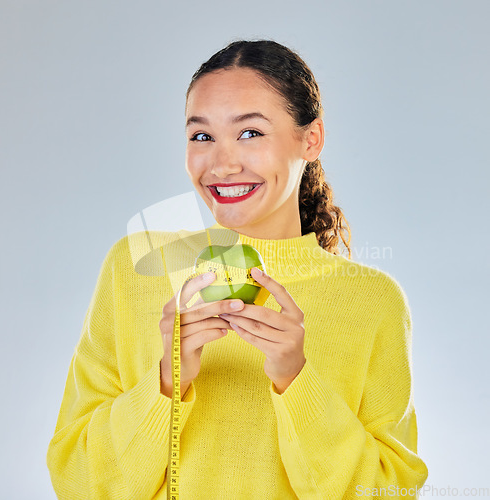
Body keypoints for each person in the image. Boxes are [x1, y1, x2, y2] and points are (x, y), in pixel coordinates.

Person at [46, 39, 429, 499]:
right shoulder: (137, 265)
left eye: (250, 133)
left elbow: (389, 491)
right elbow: (76, 480)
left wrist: (296, 380)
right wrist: (165, 382)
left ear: (311, 139)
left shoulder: (372, 299)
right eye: (201, 136)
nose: (223, 164)